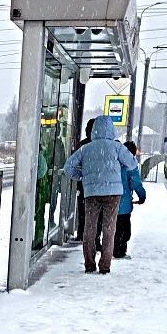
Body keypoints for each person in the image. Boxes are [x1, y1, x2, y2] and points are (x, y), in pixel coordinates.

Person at [63, 115, 139, 274]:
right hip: (113, 194)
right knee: (109, 229)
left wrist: (82, 176)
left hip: (91, 193)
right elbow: (132, 164)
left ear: (94, 130)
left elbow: (68, 167)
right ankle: (105, 266)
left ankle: (89, 264)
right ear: (112, 129)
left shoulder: (86, 148)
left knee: (89, 229)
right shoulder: (117, 147)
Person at [114, 141, 146, 259]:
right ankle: (119, 252)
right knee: (124, 231)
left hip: (110, 203)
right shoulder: (130, 166)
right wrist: (142, 196)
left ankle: (111, 250)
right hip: (124, 205)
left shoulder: (113, 162)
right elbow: (136, 184)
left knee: (112, 229)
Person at [73, 118, 98, 240]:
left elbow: (74, 164)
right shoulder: (102, 146)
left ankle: (81, 233)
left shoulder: (82, 145)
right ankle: (94, 237)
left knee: (83, 210)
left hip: (84, 184)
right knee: (97, 213)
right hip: (99, 185)